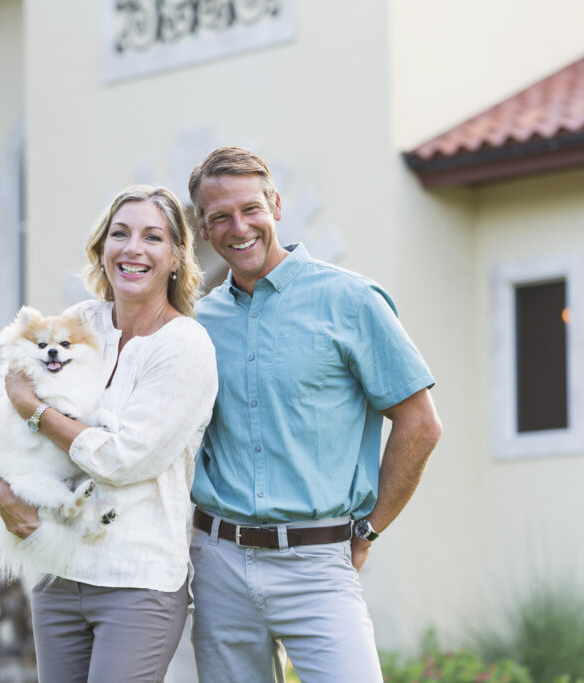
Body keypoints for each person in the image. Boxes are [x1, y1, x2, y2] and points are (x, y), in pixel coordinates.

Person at [186, 147, 442, 682]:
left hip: (319, 565)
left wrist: (368, 532)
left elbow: (420, 424)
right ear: (204, 232)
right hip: (218, 565)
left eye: (250, 209)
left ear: (276, 205)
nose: (239, 226)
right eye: (220, 218)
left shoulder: (350, 300)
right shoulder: (196, 325)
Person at [0, 185, 218, 683]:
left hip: (137, 580)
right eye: (121, 233)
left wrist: (35, 411)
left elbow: (124, 458)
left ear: (178, 256)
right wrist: (4, 488)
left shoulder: (185, 345)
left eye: (152, 237)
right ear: (102, 247)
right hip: (57, 569)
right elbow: (7, 404)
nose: (133, 248)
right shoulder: (79, 324)